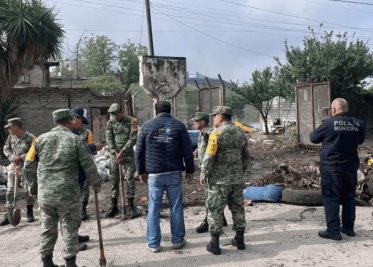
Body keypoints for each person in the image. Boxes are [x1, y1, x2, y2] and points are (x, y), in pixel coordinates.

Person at [24, 109, 101, 267]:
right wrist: (96, 183)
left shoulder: (39, 140)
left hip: (46, 194)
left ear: (54, 121)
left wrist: (33, 186)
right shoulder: (75, 140)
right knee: (69, 228)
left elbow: (29, 162)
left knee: (47, 228)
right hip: (68, 194)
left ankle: (47, 263)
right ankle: (70, 263)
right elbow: (88, 164)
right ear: (70, 121)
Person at [136, 101, 195, 253]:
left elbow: (139, 151)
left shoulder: (146, 126)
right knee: (176, 207)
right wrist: (190, 170)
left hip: (154, 175)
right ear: (171, 110)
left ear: (155, 110)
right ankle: (177, 241)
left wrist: (141, 171)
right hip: (174, 173)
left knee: (153, 208)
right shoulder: (179, 126)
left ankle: (154, 244)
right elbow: (188, 150)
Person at [310, 98, 365, 241]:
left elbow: (313, 138)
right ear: (346, 108)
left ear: (333, 109)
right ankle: (348, 228)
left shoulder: (328, 124)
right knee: (348, 198)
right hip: (350, 167)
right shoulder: (359, 123)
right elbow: (360, 140)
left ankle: (333, 231)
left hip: (331, 168)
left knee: (331, 197)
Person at [200, 106, 250, 255]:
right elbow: (246, 156)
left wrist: (204, 174)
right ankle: (239, 240)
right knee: (238, 209)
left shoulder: (216, 133)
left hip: (219, 181)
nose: (213, 118)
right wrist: (240, 171)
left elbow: (209, 156)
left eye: (215, 116)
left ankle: (214, 244)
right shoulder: (241, 132)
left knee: (215, 210)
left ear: (221, 117)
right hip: (237, 179)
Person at [190, 112, 227, 233]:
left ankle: (207, 221)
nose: (194, 123)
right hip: (205, 168)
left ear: (203, 122)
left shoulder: (209, 132)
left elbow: (213, 148)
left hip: (211, 170)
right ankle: (222, 218)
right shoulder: (201, 134)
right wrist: (196, 152)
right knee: (212, 196)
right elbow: (204, 147)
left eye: (196, 121)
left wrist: (205, 172)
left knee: (209, 197)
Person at [106, 103, 139, 218]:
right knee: (114, 179)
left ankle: (130, 206)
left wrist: (123, 151)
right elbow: (109, 138)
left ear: (121, 112)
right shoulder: (110, 122)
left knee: (130, 178)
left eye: (116, 115)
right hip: (114, 155)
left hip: (128, 154)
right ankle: (114, 206)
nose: (115, 118)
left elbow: (133, 138)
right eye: (113, 116)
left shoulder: (132, 121)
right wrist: (115, 152)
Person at [0, 118, 36, 226]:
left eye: (10, 128)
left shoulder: (31, 138)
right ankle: (9, 214)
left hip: (27, 166)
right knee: (10, 190)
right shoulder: (11, 137)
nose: (8, 130)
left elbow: (35, 151)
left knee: (28, 189)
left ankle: (29, 211)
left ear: (16, 127)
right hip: (14, 165)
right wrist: (13, 157)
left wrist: (21, 157)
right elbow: (6, 148)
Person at [71, 107, 103, 221]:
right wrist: (94, 147)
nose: (82, 124)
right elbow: (86, 149)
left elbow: (90, 151)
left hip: (82, 167)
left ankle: (82, 210)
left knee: (84, 188)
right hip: (70, 170)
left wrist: (93, 147)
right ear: (75, 118)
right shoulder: (67, 132)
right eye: (82, 121)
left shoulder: (86, 132)